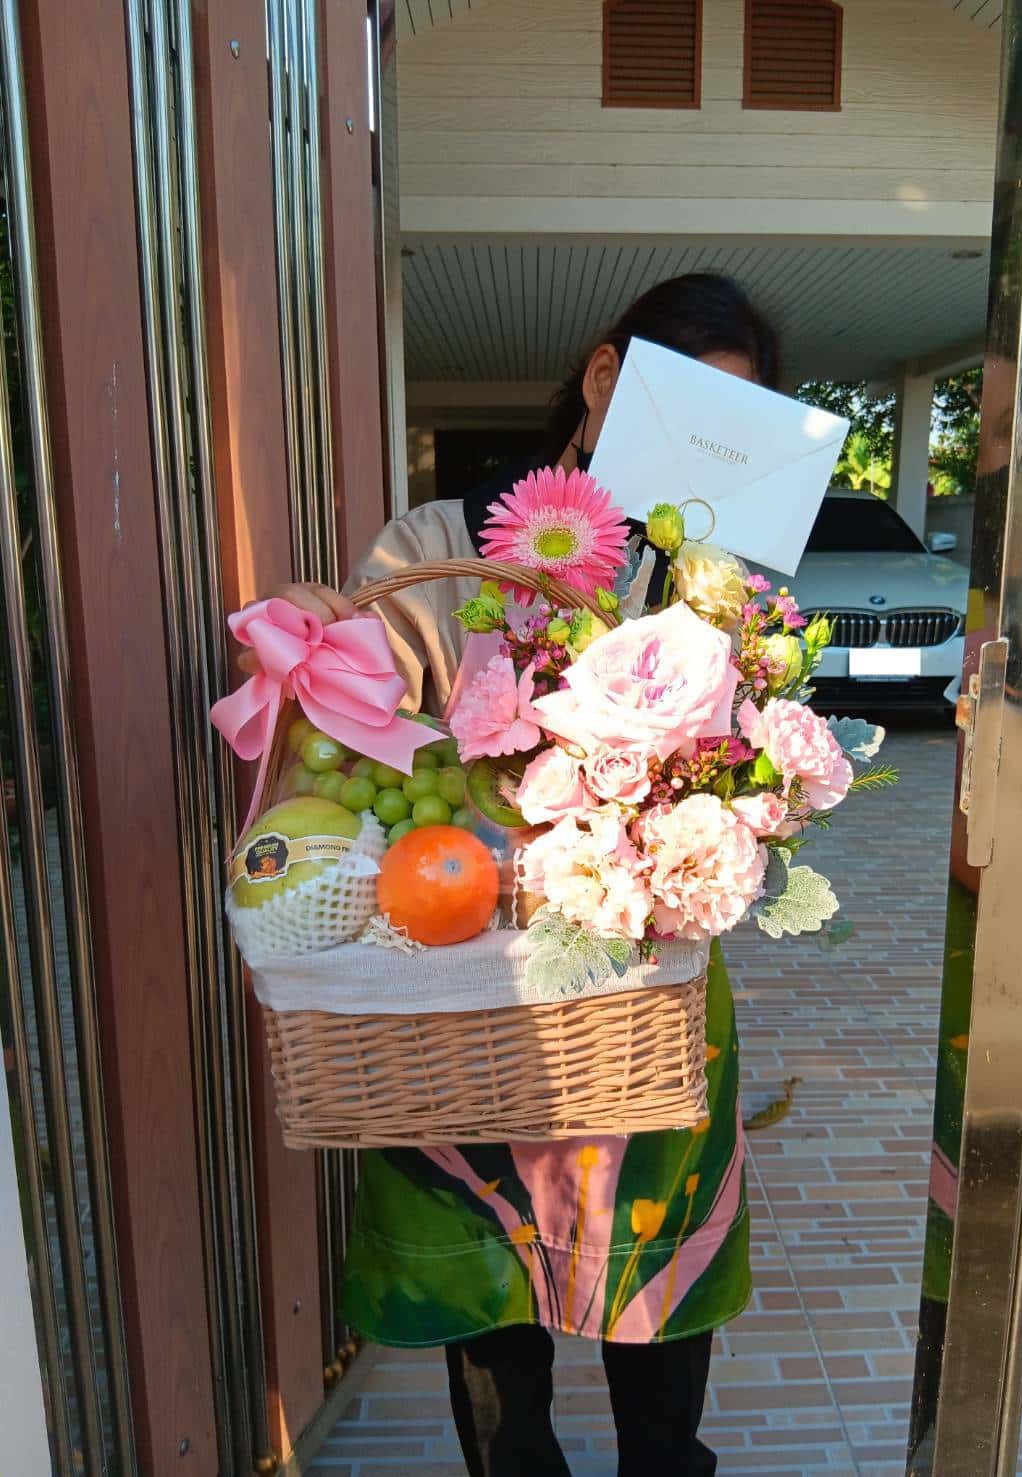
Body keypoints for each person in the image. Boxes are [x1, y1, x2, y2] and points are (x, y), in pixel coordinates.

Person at [262, 273, 780, 1476]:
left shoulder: (706, 575)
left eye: (733, 420)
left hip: (637, 986)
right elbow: (358, 738)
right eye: (685, 400)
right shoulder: (434, 546)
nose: (703, 441)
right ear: (603, 380)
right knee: (492, 1297)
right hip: (465, 971)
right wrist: (320, 641)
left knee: (651, 1285)